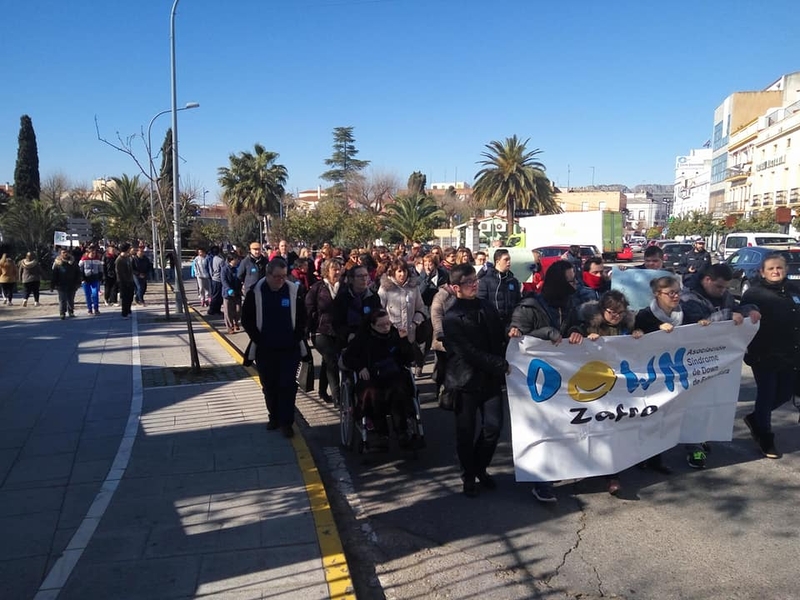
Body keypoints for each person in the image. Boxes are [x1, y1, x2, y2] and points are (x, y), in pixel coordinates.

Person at [508, 260, 584, 502]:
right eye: (570, 280)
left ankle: (559, 469)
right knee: (541, 429)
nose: (575, 284)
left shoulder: (571, 302)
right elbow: (516, 337)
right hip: (536, 381)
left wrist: (576, 330)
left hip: (564, 379)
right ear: (558, 282)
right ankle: (541, 482)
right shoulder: (529, 307)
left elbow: (576, 323)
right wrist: (546, 334)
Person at [443, 264, 510, 498]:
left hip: (490, 379)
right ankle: (468, 476)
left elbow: (501, 332)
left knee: (493, 427)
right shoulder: (451, 317)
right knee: (465, 432)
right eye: (468, 282)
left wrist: (513, 333)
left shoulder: (486, 306)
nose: (474, 284)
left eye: (475, 280)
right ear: (455, 287)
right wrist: (500, 364)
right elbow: (468, 352)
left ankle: (479, 467)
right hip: (465, 381)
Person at [569, 290, 643, 495]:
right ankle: (585, 466)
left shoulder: (627, 325)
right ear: (602, 310)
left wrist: (638, 334)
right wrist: (583, 337)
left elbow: (640, 347)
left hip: (618, 387)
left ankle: (613, 475)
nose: (616, 316)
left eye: (620, 312)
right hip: (592, 386)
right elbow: (571, 337)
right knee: (591, 429)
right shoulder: (588, 324)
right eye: (612, 312)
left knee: (614, 430)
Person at [741, 252, 800, 459]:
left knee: (785, 393)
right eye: (771, 268)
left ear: (786, 270)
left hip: (791, 353)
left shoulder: (795, 290)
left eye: (779, 268)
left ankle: (756, 418)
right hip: (764, 353)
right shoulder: (755, 293)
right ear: (762, 272)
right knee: (766, 394)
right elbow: (745, 311)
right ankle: (765, 437)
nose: (776, 271)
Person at [242, 257, 307, 438]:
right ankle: (274, 417)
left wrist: (296, 337)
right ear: (268, 275)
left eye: (284, 276)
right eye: (277, 276)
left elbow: (303, 317)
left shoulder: (294, 291)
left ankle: (287, 422)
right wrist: (258, 339)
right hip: (266, 349)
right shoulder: (256, 292)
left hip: (289, 348)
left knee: (287, 385)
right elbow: (246, 319)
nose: (281, 280)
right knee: (269, 385)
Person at [341, 309, 417, 445]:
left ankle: (402, 431)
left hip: (393, 374)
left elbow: (409, 358)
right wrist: (360, 367)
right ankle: (381, 432)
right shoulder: (363, 338)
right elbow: (347, 358)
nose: (385, 327)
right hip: (371, 376)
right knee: (372, 393)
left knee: (398, 391)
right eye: (381, 325)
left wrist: (404, 340)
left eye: (387, 324)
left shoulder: (395, 335)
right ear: (372, 325)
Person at [306, 258, 342, 405]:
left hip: (338, 331)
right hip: (320, 330)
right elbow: (308, 308)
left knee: (328, 361)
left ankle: (322, 391)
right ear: (327, 271)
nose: (338, 272)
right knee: (331, 359)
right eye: (334, 269)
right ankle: (337, 396)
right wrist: (311, 325)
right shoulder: (317, 288)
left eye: (339, 269)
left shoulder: (344, 287)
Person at [332, 265, 383, 351]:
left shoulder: (373, 296)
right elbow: (336, 322)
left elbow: (378, 317)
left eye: (366, 275)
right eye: (360, 276)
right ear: (351, 279)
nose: (364, 279)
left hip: (370, 341)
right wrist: (347, 334)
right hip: (348, 342)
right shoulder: (342, 297)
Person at [477, 248, 521, 327]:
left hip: (510, 324)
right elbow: (481, 303)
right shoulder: (486, 280)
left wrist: (516, 323)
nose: (509, 262)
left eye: (509, 259)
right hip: (491, 324)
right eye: (506, 260)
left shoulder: (513, 281)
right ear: (497, 262)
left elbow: (518, 303)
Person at [51, 248, 80, 319]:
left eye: (66, 252)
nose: (65, 254)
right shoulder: (57, 263)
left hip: (72, 284)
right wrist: (52, 285)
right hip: (61, 285)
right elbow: (54, 275)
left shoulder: (73, 262)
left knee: (71, 299)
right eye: (63, 252)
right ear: (60, 254)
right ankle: (62, 313)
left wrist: (78, 282)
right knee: (62, 299)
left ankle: (71, 312)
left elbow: (78, 273)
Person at [78, 246, 104, 315]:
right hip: (86, 280)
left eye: (94, 253)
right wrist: (82, 279)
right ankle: (89, 309)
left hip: (95, 279)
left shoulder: (97, 260)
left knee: (95, 294)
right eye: (92, 253)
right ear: (88, 253)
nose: (93, 254)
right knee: (88, 295)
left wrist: (100, 277)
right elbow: (80, 270)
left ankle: (96, 308)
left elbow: (100, 269)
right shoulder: (83, 259)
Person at [221, 252, 242, 334]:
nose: (237, 260)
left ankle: (236, 322)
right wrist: (229, 289)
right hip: (228, 293)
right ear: (231, 260)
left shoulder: (238, 268)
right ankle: (229, 327)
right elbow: (224, 280)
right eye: (235, 259)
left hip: (237, 292)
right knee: (228, 311)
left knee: (238, 310)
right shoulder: (224, 269)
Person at [115, 243, 135, 319]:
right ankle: (124, 313)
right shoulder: (119, 260)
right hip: (123, 282)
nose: (130, 250)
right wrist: (123, 282)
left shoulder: (128, 258)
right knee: (125, 298)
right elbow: (119, 273)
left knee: (130, 297)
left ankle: (128, 310)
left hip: (130, 280)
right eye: (129, 248)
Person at [207, 246, 225, 315]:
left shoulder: (211, 258)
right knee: (217, 296)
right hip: (218, 279)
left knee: (215, 295)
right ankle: (213, 310)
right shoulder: (220, 260)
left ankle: (215, 310)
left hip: (214, 278)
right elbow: (223, 270)